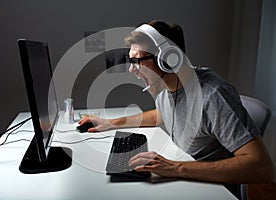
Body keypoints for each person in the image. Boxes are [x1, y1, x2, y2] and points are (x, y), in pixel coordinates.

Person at [79, 20, 275, 198]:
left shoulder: (212, 95)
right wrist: (110, 123)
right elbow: (162, 114)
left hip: (214, 191)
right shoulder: (167, 87)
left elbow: (261, 167)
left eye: (138, 60)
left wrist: (175, 168)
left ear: (168, 60)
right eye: (131, 60)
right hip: (187, 180)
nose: (132, 69)